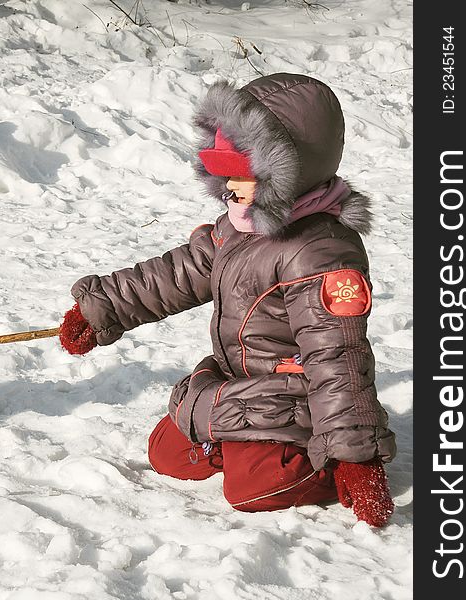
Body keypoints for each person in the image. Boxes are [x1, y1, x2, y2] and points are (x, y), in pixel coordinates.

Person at [58, 72, 396, 527]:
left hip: (298, 396)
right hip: (241, 382)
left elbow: (338, 357)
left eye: (242, 173)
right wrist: (103, 307)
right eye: (224, 170)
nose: (228, 184)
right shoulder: (240, 225)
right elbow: (177, 273)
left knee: (254, 489)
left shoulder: (321, 254)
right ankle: (239, 439)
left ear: (288, 172)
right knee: (166, 454)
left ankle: (323, 461)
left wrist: (358, 458)